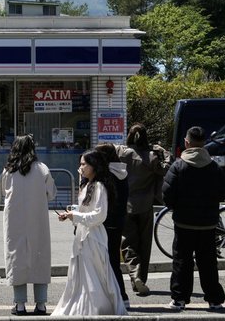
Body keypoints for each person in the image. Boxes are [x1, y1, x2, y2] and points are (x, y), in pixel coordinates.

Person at [51, 149, 127, 317]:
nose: (81, 168)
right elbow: (88, 210)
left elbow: (100, 215)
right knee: (85, 275)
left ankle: (95, 309)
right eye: (80, 164)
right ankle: (87, 308)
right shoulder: (88, 184)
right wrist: (72, 215)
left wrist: (75, 215)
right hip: (84, 235)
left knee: (93, 276)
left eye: (84, 164)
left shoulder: (99, 186)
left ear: (95, 165)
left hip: (93, 237)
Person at [162, 126, 225, 312]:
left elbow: (167, 194)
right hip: (208, 224)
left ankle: (179, 299)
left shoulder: (178, 166)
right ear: (204, 143)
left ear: (186, 143)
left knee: (182, 261)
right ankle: (214, 299)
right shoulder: (213, 166)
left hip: (183, 222)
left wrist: (176, 207)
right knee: (208, 262)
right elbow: (223, 191)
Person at [0, 134, 56, 316]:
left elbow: (3, 192)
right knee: (40, 255)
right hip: (37, 217)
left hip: (14, 219)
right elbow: (52, 193)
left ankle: (20, 304)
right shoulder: (42, 168)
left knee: (16, 257)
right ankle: (41, 304)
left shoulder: (8, 170)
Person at [117, 124, 169, 297]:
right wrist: (165, 154)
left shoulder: (121, 153)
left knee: (128, 243)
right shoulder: (152, 157)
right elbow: (165, 170)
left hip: (125, 205)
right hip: (145, 205)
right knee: (144, 244)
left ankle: (134, 274)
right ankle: (141, 278)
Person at [94, 143, 130, 309]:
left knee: (103, 261)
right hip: (119, 221)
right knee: (114, 261)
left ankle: (113, 298)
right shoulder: (122, 172)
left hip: (106, 222)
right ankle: (122, 296)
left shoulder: (106, 175)